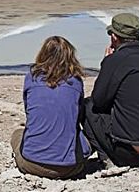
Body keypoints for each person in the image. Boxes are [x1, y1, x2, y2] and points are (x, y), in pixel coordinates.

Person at [82, 13, 139, 168]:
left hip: (129, 152)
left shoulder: (116, 60)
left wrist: (106, 63)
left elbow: (99, 101)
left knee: (87, 106)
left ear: (114, 37)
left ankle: (106, 158)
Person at [11, 36, 91, 179]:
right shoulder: (75, 81)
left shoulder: (31, 77)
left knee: (17, 134)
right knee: (82, 139)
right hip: (70, 168)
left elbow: (29, 111)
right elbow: (78, 116)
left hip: (32, 164)